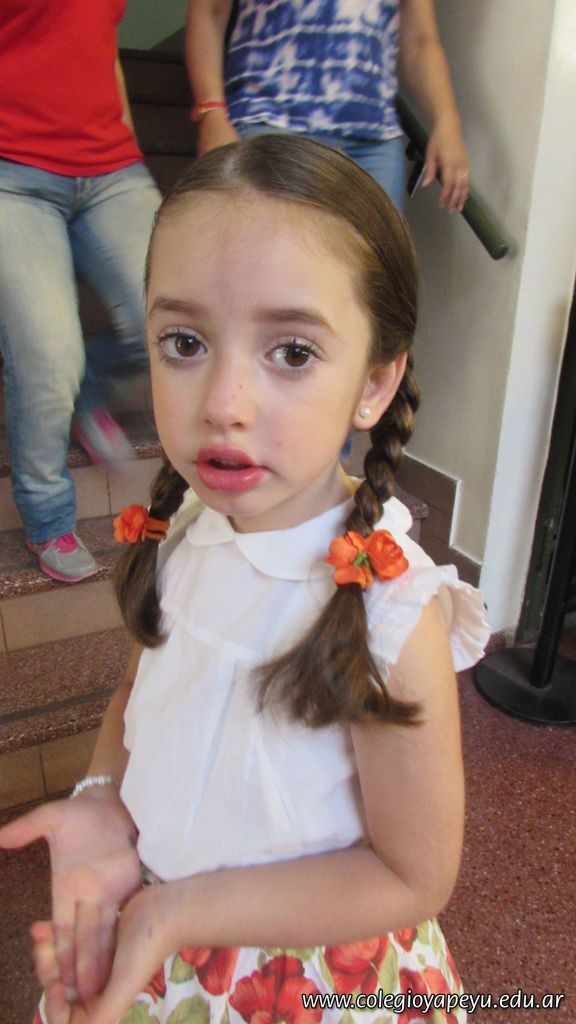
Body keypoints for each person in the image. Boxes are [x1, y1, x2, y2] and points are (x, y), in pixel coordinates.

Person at [0, 135, 489, 1024]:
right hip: (157, 934)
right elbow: (143, 693)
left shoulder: (390, 606)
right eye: (184, 342)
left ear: (375, 383)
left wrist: (180, 913)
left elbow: (413, 873)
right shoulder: (189, 527)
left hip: (308, 980)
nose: (223, 403)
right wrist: (102, 799)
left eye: (292, 353)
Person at [0, 0, 161, 583]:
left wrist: (129, 147)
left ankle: (89, 385)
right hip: (10, 169)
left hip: (111, 167)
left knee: (179, 324)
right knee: (48, 359)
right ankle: (47, 515)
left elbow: (98, 43)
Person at [186, 0, 470, 212]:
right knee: (268, 269)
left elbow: (420, 42)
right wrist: (212, 112)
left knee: (371, 273)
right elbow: (210, 12)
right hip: (269, 123)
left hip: (374, 145)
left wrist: (447, 121)